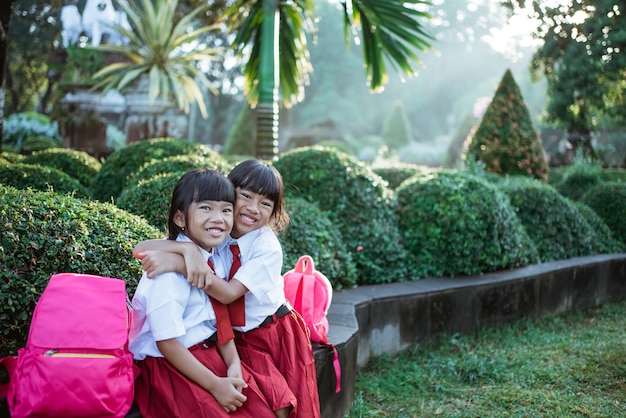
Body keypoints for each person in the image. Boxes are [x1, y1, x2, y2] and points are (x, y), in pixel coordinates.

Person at [134, 159, 321, 418]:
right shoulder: (217, 240)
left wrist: (181, 263)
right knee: (260, 400)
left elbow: (227, 294)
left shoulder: (264, 247)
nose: (253, 208)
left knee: (286, 403)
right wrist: (186, 251)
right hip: (228, 340)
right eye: (244, 196)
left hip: (271, 330)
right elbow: (140, 250)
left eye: (265, 203)